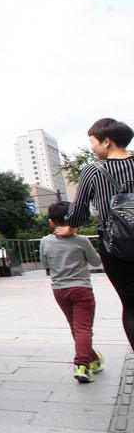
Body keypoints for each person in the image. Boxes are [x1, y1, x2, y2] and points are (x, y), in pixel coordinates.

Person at [60, 118, 134, 349]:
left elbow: (79, 209)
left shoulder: (93, 170)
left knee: (131, 305)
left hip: (116, 245)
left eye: (92, 142)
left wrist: (70, 227)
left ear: (107, 141)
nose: (92, 147)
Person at [43, 201, 103, 383]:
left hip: (59, 290)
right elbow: (96, 262)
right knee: (83, 328)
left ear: (51, 222)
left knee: (76, 328)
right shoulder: (82, 241)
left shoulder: (45, 241)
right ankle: (81, 365)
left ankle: (93, 359)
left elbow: (45, 263)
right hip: (81, 289)